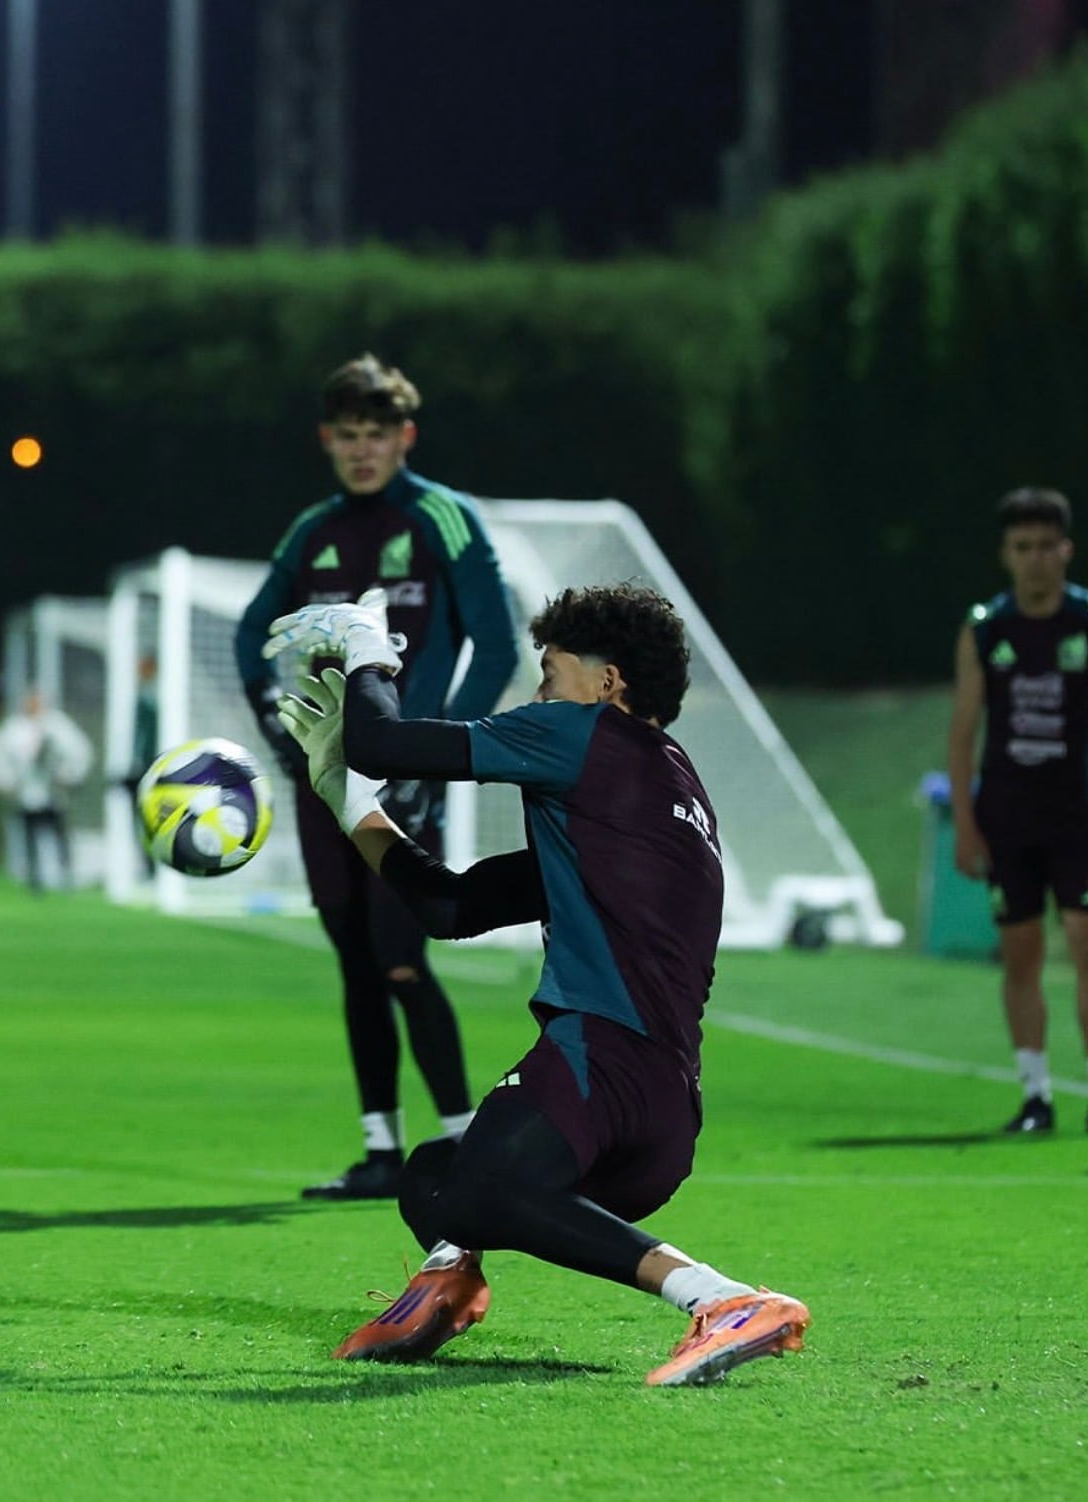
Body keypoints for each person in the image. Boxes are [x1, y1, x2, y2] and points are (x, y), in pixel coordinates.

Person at [266, 582, 811, 1387]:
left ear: (608, 683)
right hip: (662, 1118)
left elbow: (383, 741)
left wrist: (366, 647)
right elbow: (451, 907)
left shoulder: (585, 734)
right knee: (434, 1177)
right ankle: (445, 1287)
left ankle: (721, 1297)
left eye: (550, 672)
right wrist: (350, 802)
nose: (539, 695)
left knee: (475, 1185)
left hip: (601, 1057)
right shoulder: (660, 794)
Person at [234, 353, 518, 1201]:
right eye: (348, 436)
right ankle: (379, 1152)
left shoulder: (444, 517)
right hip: (323, 780)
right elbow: (251, 636)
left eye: (377, 435)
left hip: (401, 783)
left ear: (406, 437)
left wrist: (439, 748)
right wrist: (279, 733)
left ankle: (466, 1142)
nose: (363, 451)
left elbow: (496, 645)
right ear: (328, 440)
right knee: (356, 963)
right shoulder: (310, 531)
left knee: (401, 960)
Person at [948, 487, 1088, 1137]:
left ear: (1067, 550)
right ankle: (1035, 1094)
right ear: (1006, 555)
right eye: (1022, 548)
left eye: (1047, 547)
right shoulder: (986, 628)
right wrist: (967, 825)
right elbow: (963, 731)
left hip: (1077, 816)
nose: (1036, 560)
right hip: (1007, 815)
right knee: (1021, 949)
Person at [0, 689, 94, 892]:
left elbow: (79, 750)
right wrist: (4, 781)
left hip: (54, 791)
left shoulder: (58, 726)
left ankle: (65, 874)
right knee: (30, 833)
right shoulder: (13, 728)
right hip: (27, 792)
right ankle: (34, 876)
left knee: (59, 833)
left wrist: (70, 775)